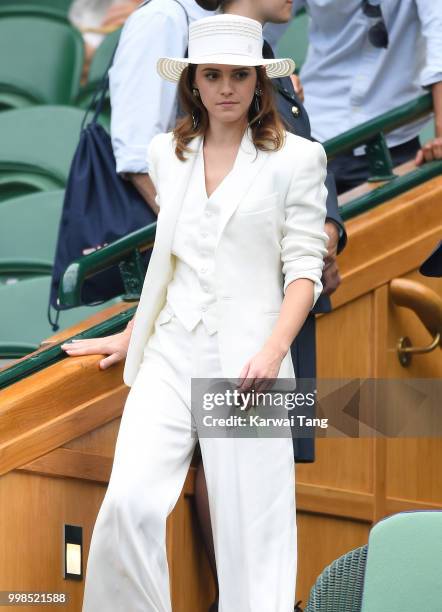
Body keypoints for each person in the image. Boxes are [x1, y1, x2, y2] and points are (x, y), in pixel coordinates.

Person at [62, 13, 330, 611]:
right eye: (212, 75)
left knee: (253, 539)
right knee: (128, 504)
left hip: (252, 366)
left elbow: (304, 272)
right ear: (194, 83)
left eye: (239, 75)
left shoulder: (299, 159)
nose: (227, 87)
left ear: (259, 83)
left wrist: (272, 351)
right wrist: (135, 332)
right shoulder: (167, 153)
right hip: (170, 352)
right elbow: (171, 259)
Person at [278, 0, 442, 194]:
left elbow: (438, 37)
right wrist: (276, 77)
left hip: (395, 137)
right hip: (315, 128)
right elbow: (256, 22)